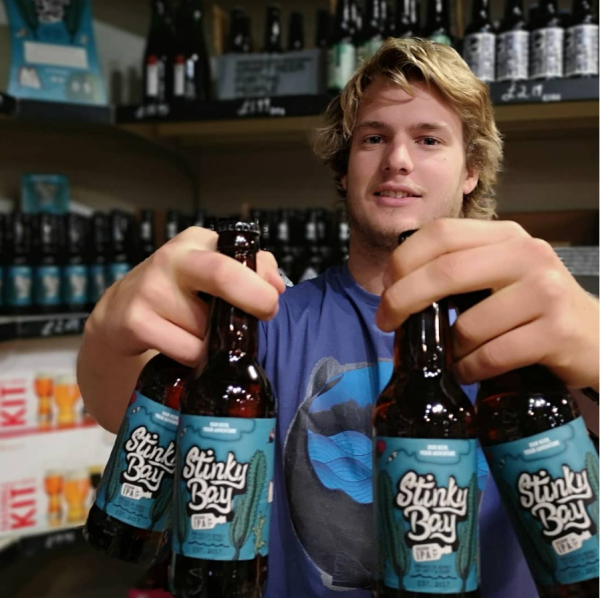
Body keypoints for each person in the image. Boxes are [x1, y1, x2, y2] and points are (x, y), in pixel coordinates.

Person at [77, 38, 599, 598]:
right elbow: (118, 407)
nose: (398, 159)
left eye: (428, 139)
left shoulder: (535, 327)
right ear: (345, 170)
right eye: (374, 138)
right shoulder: (268, 319)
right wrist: (107, 336)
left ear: (471, 171)